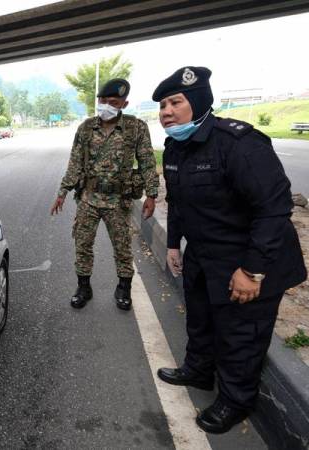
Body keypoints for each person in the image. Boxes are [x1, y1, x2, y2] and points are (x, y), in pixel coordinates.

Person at [153, 66, 307, 434]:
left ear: (200, 101)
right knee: (201, 318)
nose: (166, 112)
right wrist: (174, 243)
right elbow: (178, 201)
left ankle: (236, 402)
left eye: (175, 102)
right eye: (161, 105)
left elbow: (273, 209)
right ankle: (199, 371)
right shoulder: (175, 146)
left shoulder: (238, 143)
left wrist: (252, 270)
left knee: (241, 334)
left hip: (249, 258)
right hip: (205, 254)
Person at [50, 79, 159, 310]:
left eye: (113, 102)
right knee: (82, 244)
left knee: (122, 247)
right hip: (88, 199)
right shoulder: (86, 128)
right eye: (103, 101)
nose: (106, 105)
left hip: (119, 201)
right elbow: (75, 163)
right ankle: (83, 286)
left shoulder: (136, 128)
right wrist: (62, 192)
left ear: (124, 104)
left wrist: (151, 195)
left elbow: (148, 162)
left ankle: (123, 288)